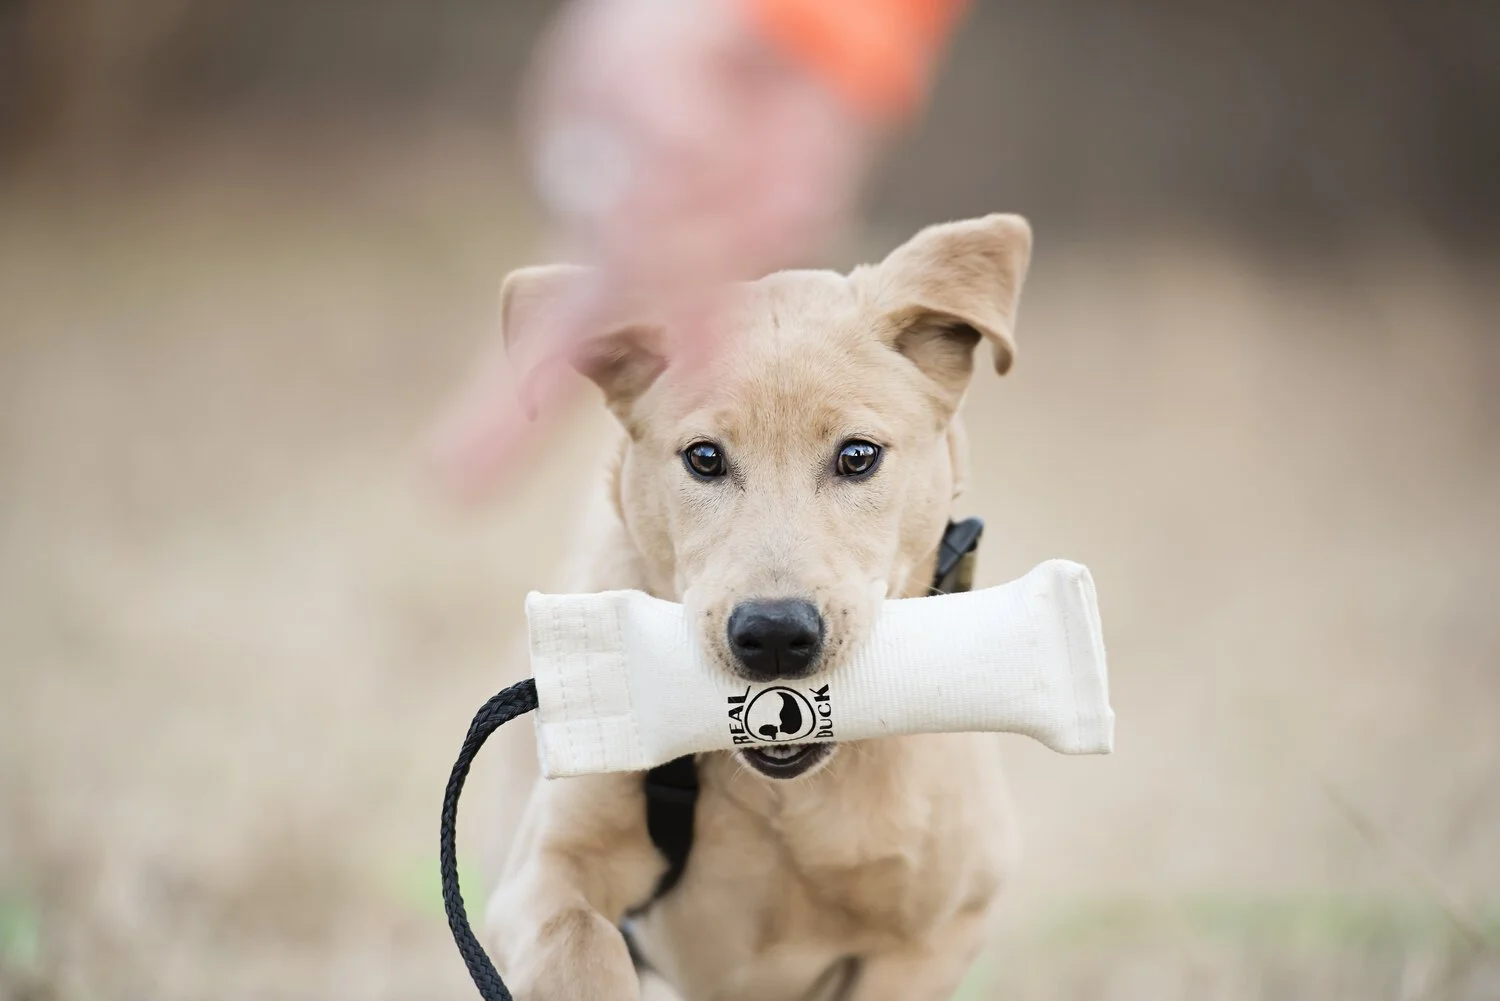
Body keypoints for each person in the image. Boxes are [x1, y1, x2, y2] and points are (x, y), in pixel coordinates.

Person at [428, 0, 971, 499]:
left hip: (785, 53)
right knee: (688, 260)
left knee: (683, 268)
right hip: (764, 46)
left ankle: (479, 460)